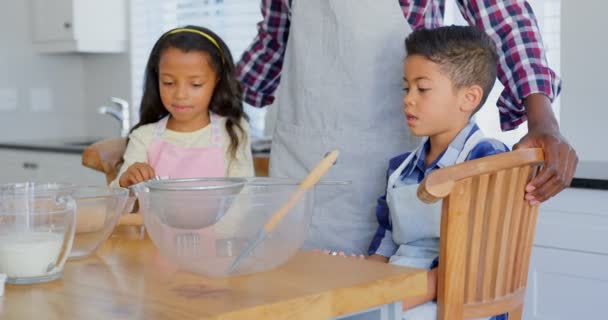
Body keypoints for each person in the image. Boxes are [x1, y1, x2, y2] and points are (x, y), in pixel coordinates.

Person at [236, 1, 577, 255]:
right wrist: (208, 96)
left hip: (395, 164)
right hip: (302, 162)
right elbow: (274, 40)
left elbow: (506, 20)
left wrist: (542, 119)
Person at [365, 25, 508, 319]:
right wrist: (361, 283)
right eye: (406, 88)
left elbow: (480, 255)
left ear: (468, 98)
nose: (408, 99)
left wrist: (400, 300)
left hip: (463, 297)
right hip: (402, 287)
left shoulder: (488, 159)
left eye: (423, 88)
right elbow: (386, 242)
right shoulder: (399, 169)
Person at [113, 26, 253, 188]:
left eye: (195, 84)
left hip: (224, 215)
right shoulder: (144, 137)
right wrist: (125, 182)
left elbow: (244, 197)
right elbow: (119, 201)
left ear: (217, 81)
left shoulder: (233, 132)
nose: (180, 95)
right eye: (168, 83)